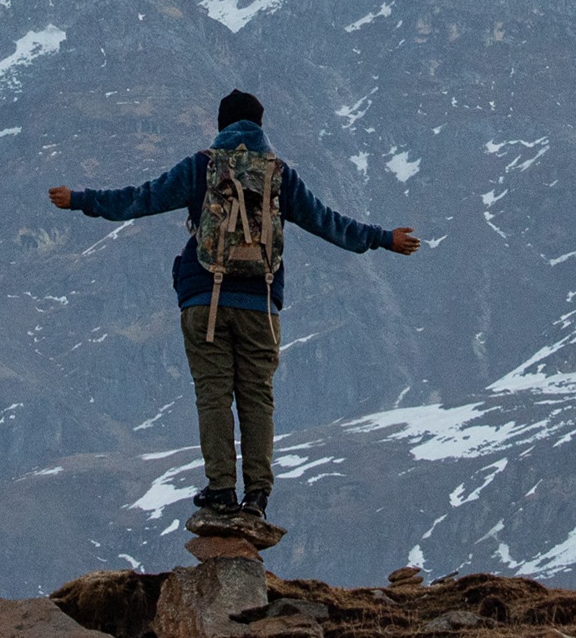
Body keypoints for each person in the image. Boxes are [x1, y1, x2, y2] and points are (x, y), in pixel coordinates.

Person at [48, 88, 420, 525]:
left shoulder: (203, 166)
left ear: (221, 124)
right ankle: (257, 496)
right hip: (261, 303)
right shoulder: (279, 175)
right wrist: (382, 237)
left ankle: (222, 490)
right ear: (261, 126)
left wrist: (80, 199)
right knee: (257, 399)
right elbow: (328, 222)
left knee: (213, 396)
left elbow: (141, 199)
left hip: (204, 300)